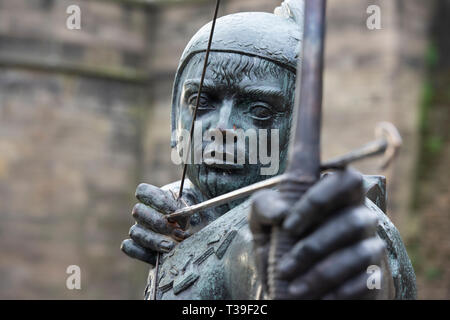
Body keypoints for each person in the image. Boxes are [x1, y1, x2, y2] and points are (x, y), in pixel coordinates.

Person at [121, 2, 416, 300]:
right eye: (200, 102)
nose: (222, 129)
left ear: (299, 128)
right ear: (176, 118)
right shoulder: (186, 212)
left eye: (260, 111)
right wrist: (194, 215)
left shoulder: (327, 224)